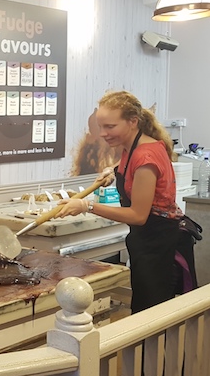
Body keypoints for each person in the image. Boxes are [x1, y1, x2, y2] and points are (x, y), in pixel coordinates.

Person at [56, 90, 190, 314]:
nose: (103, 134)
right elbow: (128, 162)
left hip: (156, 244)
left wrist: (87, 206)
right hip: (144, 242)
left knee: (150, 313)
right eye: (101, 126)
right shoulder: (135, 146)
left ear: (133, 122)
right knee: (144, 306)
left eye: (110, 126)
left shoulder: (145, 157)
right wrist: (113, 170)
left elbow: (138, 216)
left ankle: (149, 350)